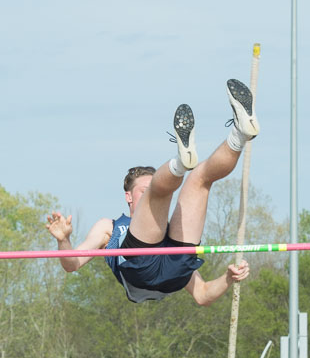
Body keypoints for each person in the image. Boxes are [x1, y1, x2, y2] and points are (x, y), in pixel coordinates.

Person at [46, 79, 259, 306]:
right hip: (140, 271)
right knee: (160, 193)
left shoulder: (170, 229)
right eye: (142, 191)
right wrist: (64, 241)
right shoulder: (109, 227)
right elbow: (72, 264)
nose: (148, 193)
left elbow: (203, 294)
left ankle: (239, 134)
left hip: (174, 271)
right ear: (128, 196)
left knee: (199, 179)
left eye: (152, 186)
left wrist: (228, 278)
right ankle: (179, 163)